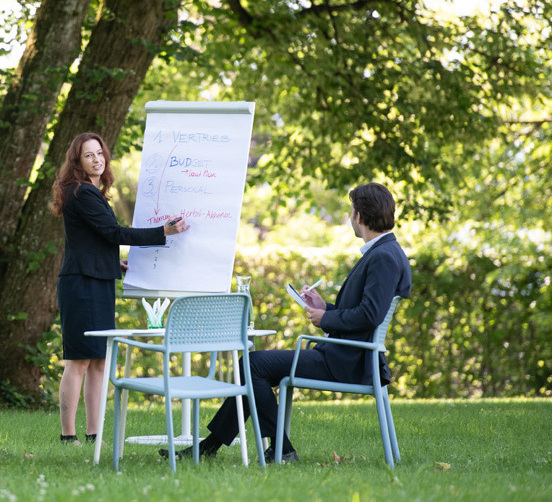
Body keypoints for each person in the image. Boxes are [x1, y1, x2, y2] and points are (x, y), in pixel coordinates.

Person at [164, 182, 412, 463]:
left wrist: (326, 318)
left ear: (360, 217)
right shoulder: (386, 253)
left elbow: (370, 315)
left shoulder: (383, 257)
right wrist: (324, 307)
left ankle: (276, 448)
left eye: (351, 211)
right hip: (348, 355)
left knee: (251, 365)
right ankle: (211, 447)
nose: (349, 217)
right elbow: (365, 312)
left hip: (348, 361)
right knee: (253, 368)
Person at [51, 132, 190, 443]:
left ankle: (93, 434)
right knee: (78, 360)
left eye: (100, 153)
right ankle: (68, 436)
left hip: (96, 280)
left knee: (99, 360)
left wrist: (113, 264)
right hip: (81, 284)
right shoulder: (82, 193)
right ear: (78, 161)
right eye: (88, 155)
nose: (97, 159)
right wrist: (163, 231)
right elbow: (113, 233)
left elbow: (95, 240)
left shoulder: (90, 192)